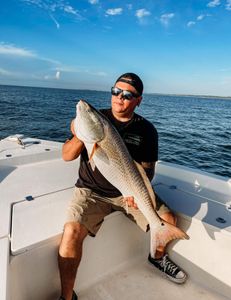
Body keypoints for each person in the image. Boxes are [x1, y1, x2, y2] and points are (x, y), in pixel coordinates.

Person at [58, 73, 187, 300]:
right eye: (115, 91)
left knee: (168, 220)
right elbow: (67, 156)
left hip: (129, 191)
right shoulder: (95, 120)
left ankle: (156, 257)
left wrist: (135, 195)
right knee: (70, 233)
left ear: (139, 100)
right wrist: (79, 134)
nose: (119, 98)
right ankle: (67, 297)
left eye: (128, 95)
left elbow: (147, 172)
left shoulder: (147, 130)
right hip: (92, 191)